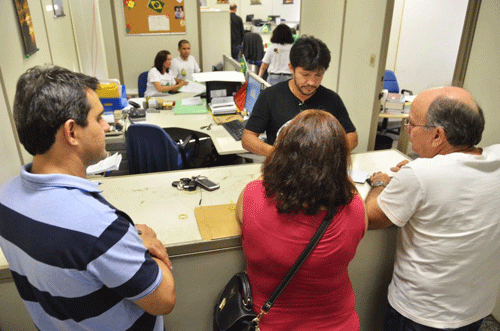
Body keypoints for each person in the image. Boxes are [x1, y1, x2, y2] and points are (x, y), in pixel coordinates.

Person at [0, 65, 175, 330]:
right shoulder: (98, 227)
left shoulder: (6, 198)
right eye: (98, 118)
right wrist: (143, 242)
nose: (106, 126)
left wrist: (125, 239)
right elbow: (164, 299)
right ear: (71, 132)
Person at [365, 86, 500, 331]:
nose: (408, 130)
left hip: (422, 314)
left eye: (412, 125)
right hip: (476, 309)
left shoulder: (420, 174)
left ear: (437, 135)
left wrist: (380, 182)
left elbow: (372, 218)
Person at [236, 109, 366, 330]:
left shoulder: (253, 196)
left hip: (271, 324)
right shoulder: (355, 208)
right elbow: (347, 189)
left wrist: (278, 171)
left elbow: (258, 191)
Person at [242, 35, 358, 157]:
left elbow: (352, 136)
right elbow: (248, 138)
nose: (312, 82)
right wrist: (279, 155)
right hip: (281, 168)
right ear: (291, 68)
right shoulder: (270, 96)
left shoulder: (331, 99)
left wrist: (329, 156)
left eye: (318, 75)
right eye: (305, 75)